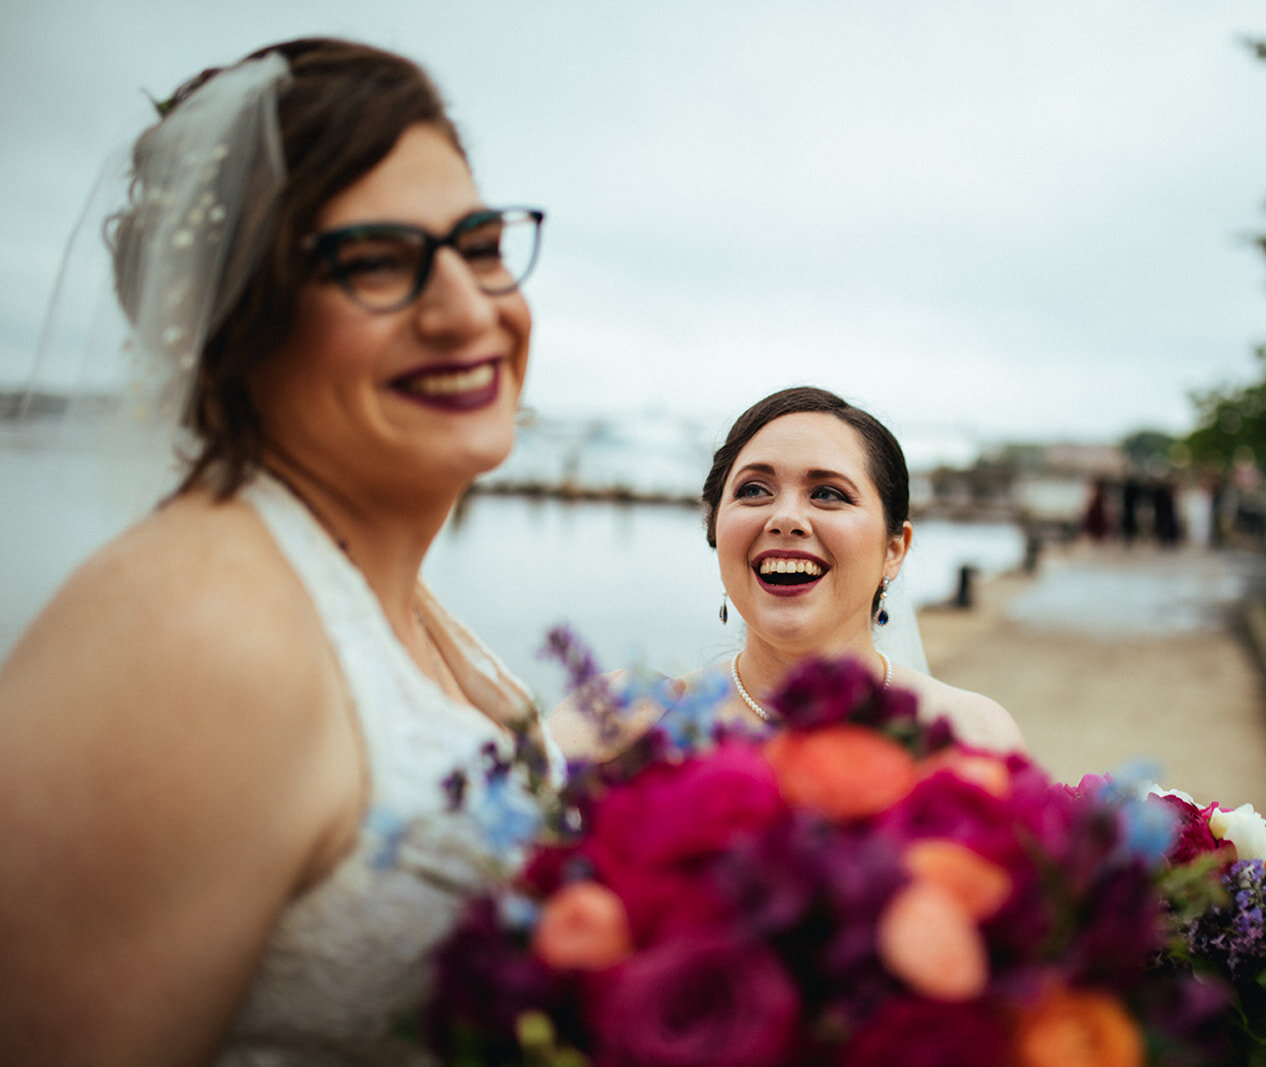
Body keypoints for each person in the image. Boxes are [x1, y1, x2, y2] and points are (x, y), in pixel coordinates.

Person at [0, 39, 558, 1064]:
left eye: (477, 243)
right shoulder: (189, 636)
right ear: (232, 319)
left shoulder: (391, 601)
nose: (467, 311)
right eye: (379, 262)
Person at [553, 386, 1024, 758]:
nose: (785, 518)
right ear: (715, 529)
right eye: (755, 490)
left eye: (828, 494)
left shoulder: (972, 735)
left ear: (894, 550)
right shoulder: (623, 721)